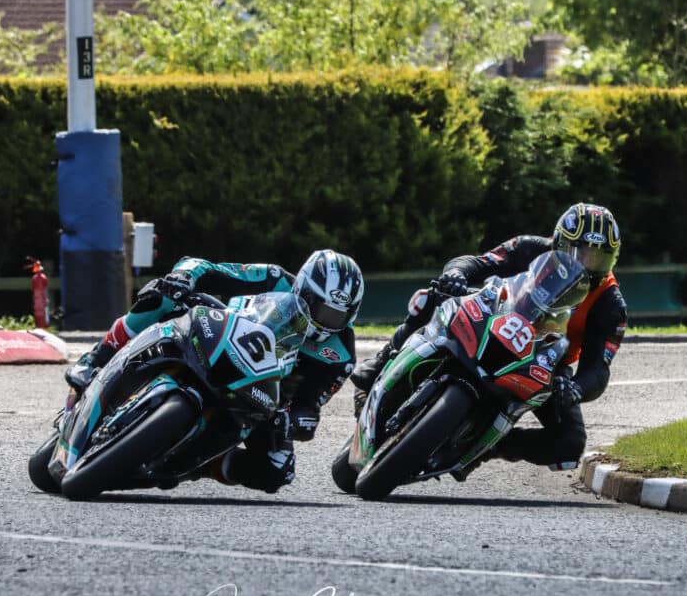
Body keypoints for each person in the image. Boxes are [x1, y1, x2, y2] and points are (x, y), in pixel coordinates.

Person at [349, 203, 628, 471]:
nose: (587, 266)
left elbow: (597, 369)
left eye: (598, 258)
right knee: (433, 298)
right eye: (580, 253)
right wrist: (456, 274)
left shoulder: (610, 304)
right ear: (559, 242)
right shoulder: (529, 248)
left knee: (569, 443)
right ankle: (378, 366)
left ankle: (489, 446)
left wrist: (577, 388)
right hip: (494, 319)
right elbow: (478, 262)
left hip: (544, 362)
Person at [66, 249, 364, 493]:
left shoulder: (341, 354)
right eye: (322, 310)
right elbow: (207, 268)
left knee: (278, 468)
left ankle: (199, 466)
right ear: (303, 291)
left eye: (337, 316)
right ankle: (96, 358)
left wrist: (299, 420)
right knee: (162, 295)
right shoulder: (274, 278)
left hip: (262, 397)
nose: (326, 323)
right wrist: (184, 277)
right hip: (217, 337)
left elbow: (311, 403)